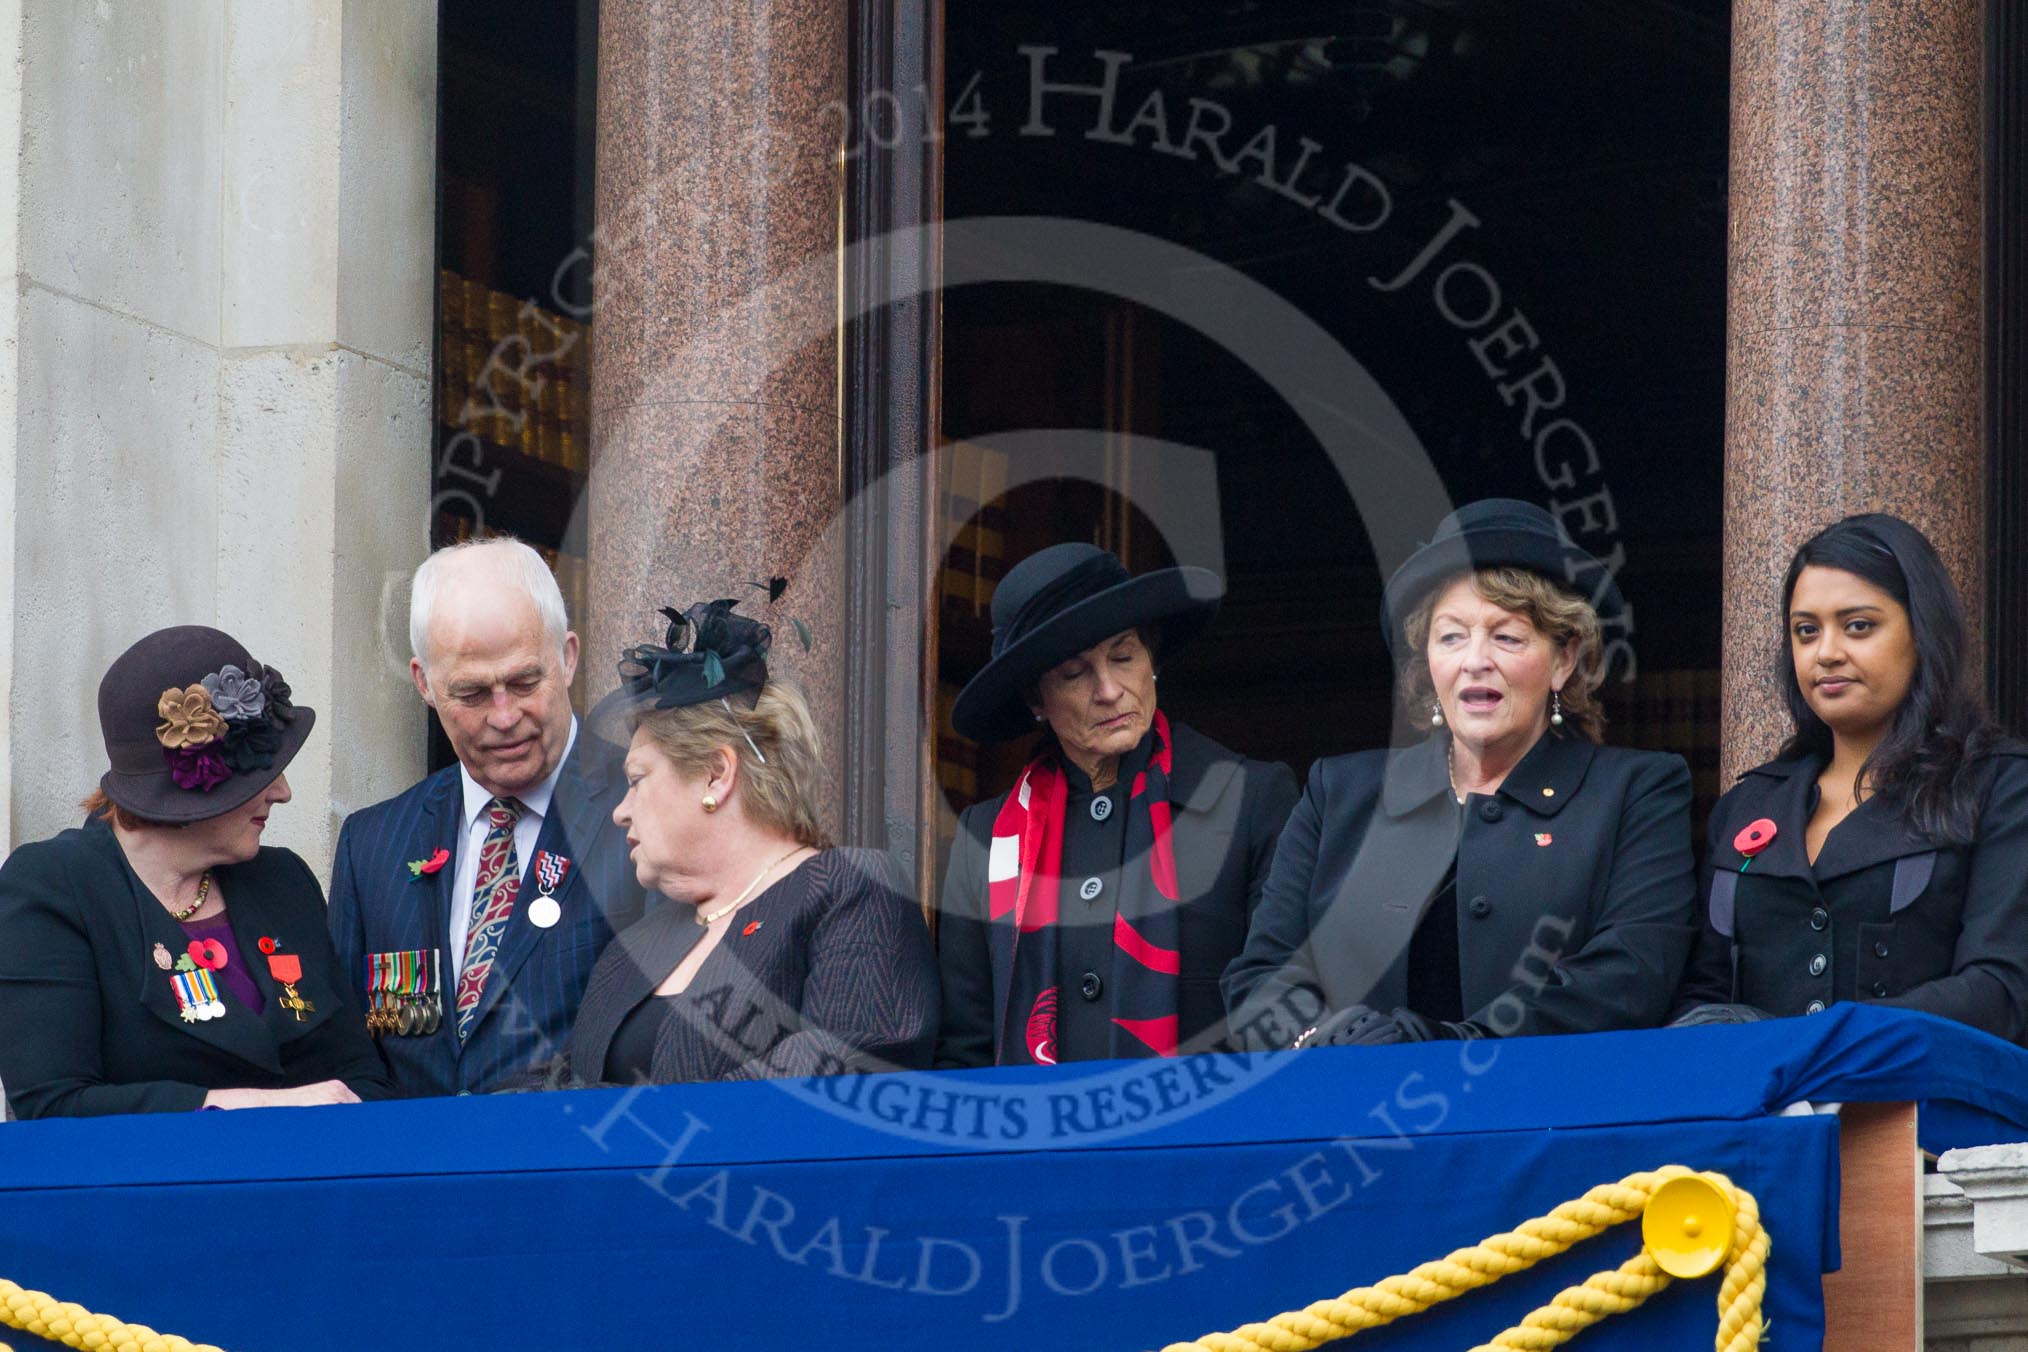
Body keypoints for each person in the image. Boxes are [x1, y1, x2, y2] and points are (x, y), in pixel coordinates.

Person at [1224, 499, 1697, 1049]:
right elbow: (1259, 982)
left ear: (1564, 660)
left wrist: (1454, 1046)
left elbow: (1633, 976)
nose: (1475, 659)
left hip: (1546, 1118)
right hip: (1355, 1120)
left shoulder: (1638, 791)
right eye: (1451, 636)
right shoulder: (1338, 794)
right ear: (1427, 660)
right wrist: (1332, 1040)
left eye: (1508, 637)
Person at [521, 598, 937, 1085]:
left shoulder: (850, 889)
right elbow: (564, 1088)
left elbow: (836, 1079)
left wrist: (628, 1124)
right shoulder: (639, 941)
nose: (619, 810)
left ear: (716, 775)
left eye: (637, 780)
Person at [0, 626, 391, 1117]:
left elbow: (361, 1078)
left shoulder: (284, 881)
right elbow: (55, 1105)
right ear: (194, 783)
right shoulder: (55, 888)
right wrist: (248, 1107)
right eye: (258, 772)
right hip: (149, 1190)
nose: (282, 792)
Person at [935, 543, 1299, 1067]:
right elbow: (966, 1049)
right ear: (1036, 701)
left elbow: (1285, 1011)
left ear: (1150, 661)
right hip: (1034, 1144)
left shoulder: (1249, 802)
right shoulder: (987, 839)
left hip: (1203, 1139)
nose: (1109, 689)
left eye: (1124, 656)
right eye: (1074, 673)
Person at [1675, 514, 2028, 1039]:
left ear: (1923, 633)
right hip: (1765, 1116)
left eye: (1858, 625)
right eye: (1806, 631)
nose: (1827, 652)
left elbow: (2002, 989)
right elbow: (1701, 991)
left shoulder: (1999, 786)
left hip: (1925, 1110)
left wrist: (1827, 1045)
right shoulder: (1749, 805)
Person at [327, 538, 651, 1095]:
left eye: (525, 682)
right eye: (472, 693)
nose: (504, 717)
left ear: (568, 657)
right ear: (424, 684)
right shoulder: (373, 845)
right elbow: (347, 1055)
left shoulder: (647, 812)